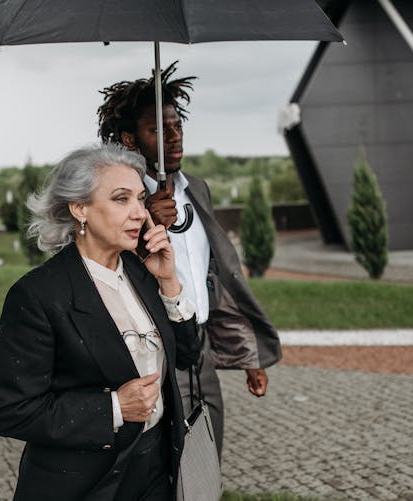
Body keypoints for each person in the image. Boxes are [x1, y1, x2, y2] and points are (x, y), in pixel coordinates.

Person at [0, 144, 200, 501]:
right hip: (84, 484)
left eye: (139, 199)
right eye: (121, 199)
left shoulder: (140, 271)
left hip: (155, 470)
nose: (138, 213)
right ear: (79, 208)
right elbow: (10, 411)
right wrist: (114, 407)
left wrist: (169, 283)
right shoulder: (39, 295)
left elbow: (190, 355)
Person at [97, 62, 282, 458]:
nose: (174, 135)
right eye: (158, 129)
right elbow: (106, 274)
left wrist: (249, 357)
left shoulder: (196, 190)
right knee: (161, 461)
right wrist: (145, 226)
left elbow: (211, 279)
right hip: (149, 354)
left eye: (177, 124)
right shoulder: (117, 198)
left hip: (199, 349)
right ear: (130, 139)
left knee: (208, 452)